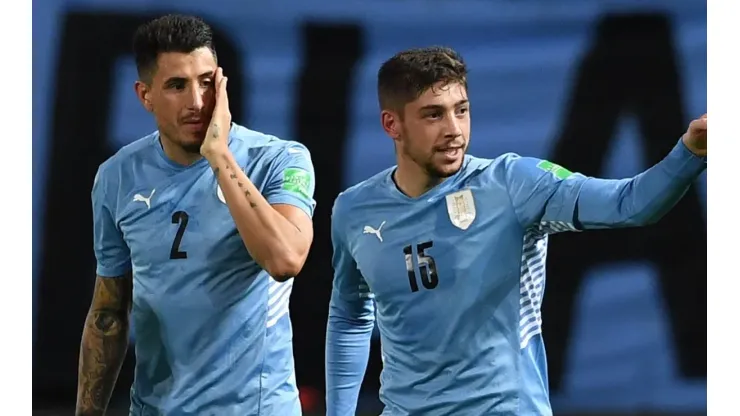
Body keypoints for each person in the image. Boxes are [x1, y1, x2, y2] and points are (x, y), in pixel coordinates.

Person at [325, 46, 707, 416]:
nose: (454, 130)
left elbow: (630, 204)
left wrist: (689, 153)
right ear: (392, 124)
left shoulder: (513, 184)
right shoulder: (354, 210)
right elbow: (350, 315)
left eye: (462, 110)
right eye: (433, 115)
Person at [75, 14, 316, 416]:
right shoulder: (117, 177)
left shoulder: (278, 160)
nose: (197, 102)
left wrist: (219, 155)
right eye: (176, 86)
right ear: (145, 94)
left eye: (207, 82)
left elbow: (285, 259)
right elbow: (108, 314)